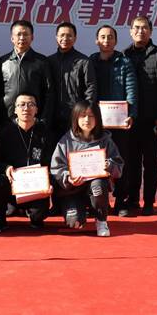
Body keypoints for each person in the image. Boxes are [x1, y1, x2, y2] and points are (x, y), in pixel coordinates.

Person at [50, 101, 124, 237]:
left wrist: (109, 165)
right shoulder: (65, 141)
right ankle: (78, 211)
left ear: (98, 118)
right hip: (72, 190)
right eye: (83, 116)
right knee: (74, 223)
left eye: (91, 116)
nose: (87, 120)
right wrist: (68, 178)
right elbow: (56, 167)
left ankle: (101, 220)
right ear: (75, 118)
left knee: (98, 186)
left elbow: (119, 166)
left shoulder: (105, 140)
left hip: (95, 187)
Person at [124, 16, 157, 216]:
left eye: (144, 28)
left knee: (150, 163)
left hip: (152, 120)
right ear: (130, 31)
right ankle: (132, 199)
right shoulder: (124, 55)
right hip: (129, 120)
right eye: (136, 28)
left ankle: (149, 202)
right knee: (131, 162)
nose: (140, 31)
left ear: (151, 31)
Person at [0, 93, 55, 233]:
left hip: (36, 187)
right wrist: (6, 168)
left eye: (31, 104)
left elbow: (51, 163)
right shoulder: (6, 132)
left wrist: (48, 181)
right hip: (12, 183)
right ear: (15, 109)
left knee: (38, 218)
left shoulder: (45, 132)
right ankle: (0, 220)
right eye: (22, 105)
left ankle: (30, 213)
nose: (26, 108)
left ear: (36, 109)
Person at [89, 25, 137, 217]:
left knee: (120, 160)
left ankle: (121, 201)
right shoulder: (91, 61)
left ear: (116, 41)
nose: (106, 40)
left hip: (119, 122)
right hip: (95, 123)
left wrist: (131, 114)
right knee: (96, 161)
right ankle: (99, 202)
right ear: (96, 40)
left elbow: (131, 89)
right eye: (102, 37)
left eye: (110, 37)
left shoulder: (124, 61)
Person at [0, 19, 55, 126]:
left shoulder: (42, 62)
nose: (22, 38)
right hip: (7, 120)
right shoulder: (2, 62)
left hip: (34, 121)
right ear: (12, 38)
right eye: (18, 34)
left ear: (32, 37)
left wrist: (44, 119)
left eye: (25, 34)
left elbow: (49, 93)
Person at [48, 22, 97, 139]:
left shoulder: (84, 61)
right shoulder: (49, 61)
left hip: (76, 117)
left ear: (75, 38)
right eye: (62, 35)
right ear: (56, 37)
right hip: (53, 117)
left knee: (75, 148)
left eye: (69, 35)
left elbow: (91, 88)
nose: (65, 38)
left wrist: (84, 113)